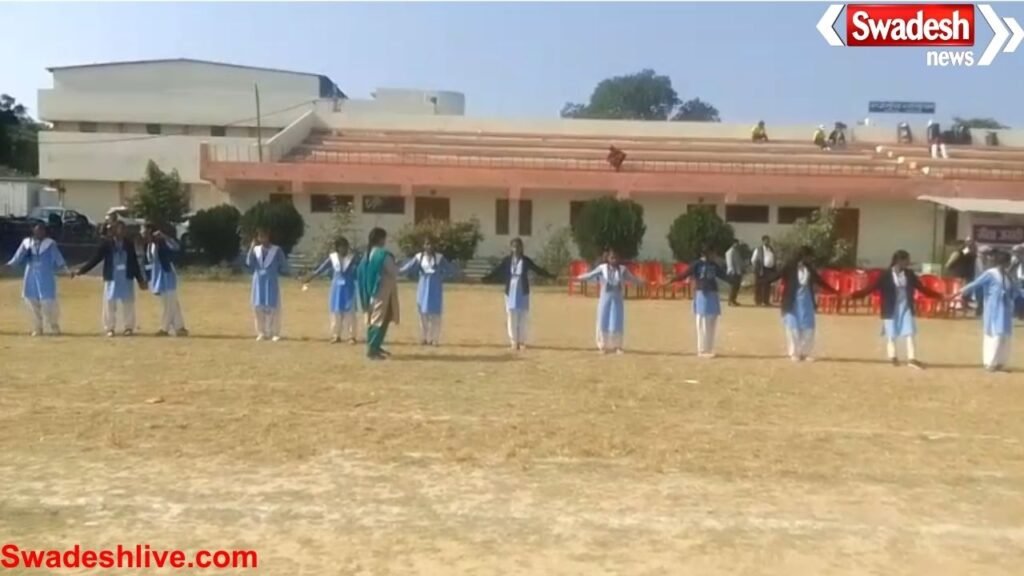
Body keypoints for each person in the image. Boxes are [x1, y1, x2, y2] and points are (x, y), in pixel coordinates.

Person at [848, 250, 944, 369]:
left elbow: (921, 288)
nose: (908, 262)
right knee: (891, 333)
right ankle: (893, 356)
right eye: (906, 260)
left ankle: (912, 358)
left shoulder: (909, 274)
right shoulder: (885, 275)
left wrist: (938, 295)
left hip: (906, 306)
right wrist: (854, 295)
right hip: (890, 307)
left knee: (910, 332)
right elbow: (870, 288)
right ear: (899, 261)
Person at [74, 220, 147, 336]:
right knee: (109, 303)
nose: (122, 231)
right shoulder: (107, 244)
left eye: (124, 229)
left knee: (128, 303)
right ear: (114, 230)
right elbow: (96, 259)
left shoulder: (129, 244)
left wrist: (140, 280)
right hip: (112, 278)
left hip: (126, 277)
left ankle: (128, 327)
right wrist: (82, 270)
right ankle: (109, 328)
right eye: (119, 229)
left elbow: (134, 262)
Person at [482, 237, 555, 351]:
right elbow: (497, 271)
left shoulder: (526, 261)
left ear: (521, 248)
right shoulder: (507, 260)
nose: (516, 249)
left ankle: (522, 341)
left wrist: (551, 276)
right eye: (514, 246)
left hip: (523, 291)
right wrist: (485, 278)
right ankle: (513, 341)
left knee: (523, 317)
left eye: (518, 246)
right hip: (510, 291)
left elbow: (537, 269)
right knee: (511, 316)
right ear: (511, 248)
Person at [953, 250, 1021, 372]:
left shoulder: (1008, 276)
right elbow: (975, 284)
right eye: (1007, 262)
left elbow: (1016, 291)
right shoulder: (990, 274)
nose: (1008, 265)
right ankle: (990, 363)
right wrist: (959, 292)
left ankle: (1000, 363)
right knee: (995, 336)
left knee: (1005, 337)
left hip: (1006, 310)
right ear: (1002, 262)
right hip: (994, 310)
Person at [767, 246, 838, 362]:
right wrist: (760, 281)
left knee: (808, 327)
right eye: (809, 257)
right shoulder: (789, 267)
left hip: (806, 302)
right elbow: (776, 276)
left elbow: (820, 281)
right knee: (793, 327)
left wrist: (835, 291)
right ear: (803, 256)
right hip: (792, 302)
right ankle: (794, 353)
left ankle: (805, 353)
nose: (810, 259)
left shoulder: (809, 269)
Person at [4, 222, 70, 336]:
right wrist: (7, 266)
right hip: (31, 276)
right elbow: (17, 258)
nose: (40, 232)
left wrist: (66, 271)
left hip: (46, 276)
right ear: (33, 230)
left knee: (48, 303)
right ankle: (37, 327)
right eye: (38, 230)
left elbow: (58, 259)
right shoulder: (27, 243)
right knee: (32, 302)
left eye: (42, 230)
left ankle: (53, 326)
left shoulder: (50, 244)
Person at [665, 245, 730, 358]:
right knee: (702, 321)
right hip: (702, 294)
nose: (715, 255)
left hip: (713, 294)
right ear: (707, 254)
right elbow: (684, 274)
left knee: (712, 322)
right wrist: (672, 280)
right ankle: (702, 349)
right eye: (713, 253)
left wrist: (736, 281)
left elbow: (724, 276)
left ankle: (709, 348)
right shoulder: (697, 264)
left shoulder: (714, 265)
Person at [574, 250, 641, 354]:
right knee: (603, 320)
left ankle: (617, 346)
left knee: (617, 321)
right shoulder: (602, 269)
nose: (614, 260)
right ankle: (602, 346)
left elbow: (632, 278)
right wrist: (577, 278)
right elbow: (590, 275)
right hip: (605, 299)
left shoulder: (622, 269)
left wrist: (641, 282)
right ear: (608, 259)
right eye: (612, 258)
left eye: (616, 258)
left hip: (617, 299)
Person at [303, 237, 360, 344]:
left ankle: (351, 336)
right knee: (336, 312)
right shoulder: (332, 258)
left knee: (350, 312)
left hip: (349, 287)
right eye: (342, 246)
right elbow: (321, 269)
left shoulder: (352, 258)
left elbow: (362, 267)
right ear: (338, 248)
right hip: (337, 288)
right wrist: (310, 277)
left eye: (346, 246)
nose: (345, 249)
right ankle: (336, 335)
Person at [399, 238, 454, 346]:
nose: (429, 246)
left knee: (435, 314)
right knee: (422, 314)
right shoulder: (419, 257)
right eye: (427, 244)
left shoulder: (439, 258)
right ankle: (424, 337)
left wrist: (442, 276)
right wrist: (395, 270)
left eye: (431, 244)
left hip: (435, 288)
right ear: (424, 245)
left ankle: (435, 339)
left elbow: (450, 269)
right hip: (423, 287)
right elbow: (407, 268)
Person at [358, 227, 400, 359]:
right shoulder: (383, 255)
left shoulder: (367, 254)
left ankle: (376, 345)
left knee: (378, 318)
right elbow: (393, 271)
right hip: (382, 292)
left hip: (370, 291)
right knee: (378, 320)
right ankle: (372, 349)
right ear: (381, 239)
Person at [245, 228, 290, 342]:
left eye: (264, 236)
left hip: (271, 281)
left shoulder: (276, 250)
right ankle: (261, 332)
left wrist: (284, 271)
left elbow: (284, 265)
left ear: (268, 236)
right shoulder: (256, 250)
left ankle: (274, 332)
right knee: (258, 307)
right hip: (258, 281)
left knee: (273, 307)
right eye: (260, 236)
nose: (262, 238)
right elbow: (249, 263)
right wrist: (251, 248)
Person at [145, 225, 188, 337]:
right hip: (158, 277)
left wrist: (164, 237)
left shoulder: (165, 243)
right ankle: (180, 327)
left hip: (168, 276)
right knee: (171, 304)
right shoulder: (150, 246)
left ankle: (164, 328)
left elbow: (176, 247)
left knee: (169, 304)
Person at [751, 235, 777, 306]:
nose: (767, 242)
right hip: (760, 270)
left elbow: (773, 258)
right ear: (763, 241)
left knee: (767, 286)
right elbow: (753, 260)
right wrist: (757, 268)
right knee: (759, 286)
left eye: (768, 240)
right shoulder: (758, 249)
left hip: (769, 270)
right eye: (766, 240)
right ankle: (758, 301)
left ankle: (766, 301)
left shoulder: (771, 249)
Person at [724, 239, 744, 306]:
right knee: (732, 287)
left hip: (738, 272)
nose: (737, 244)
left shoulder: (737, 252)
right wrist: (732, 271)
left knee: (737, 287)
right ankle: (730, 301)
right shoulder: (729, 252)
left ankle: (734, 300)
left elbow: (739, 262)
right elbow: (729, 263)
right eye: (736, 243)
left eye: (737, 243)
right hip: (733, 272)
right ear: (733, 243)